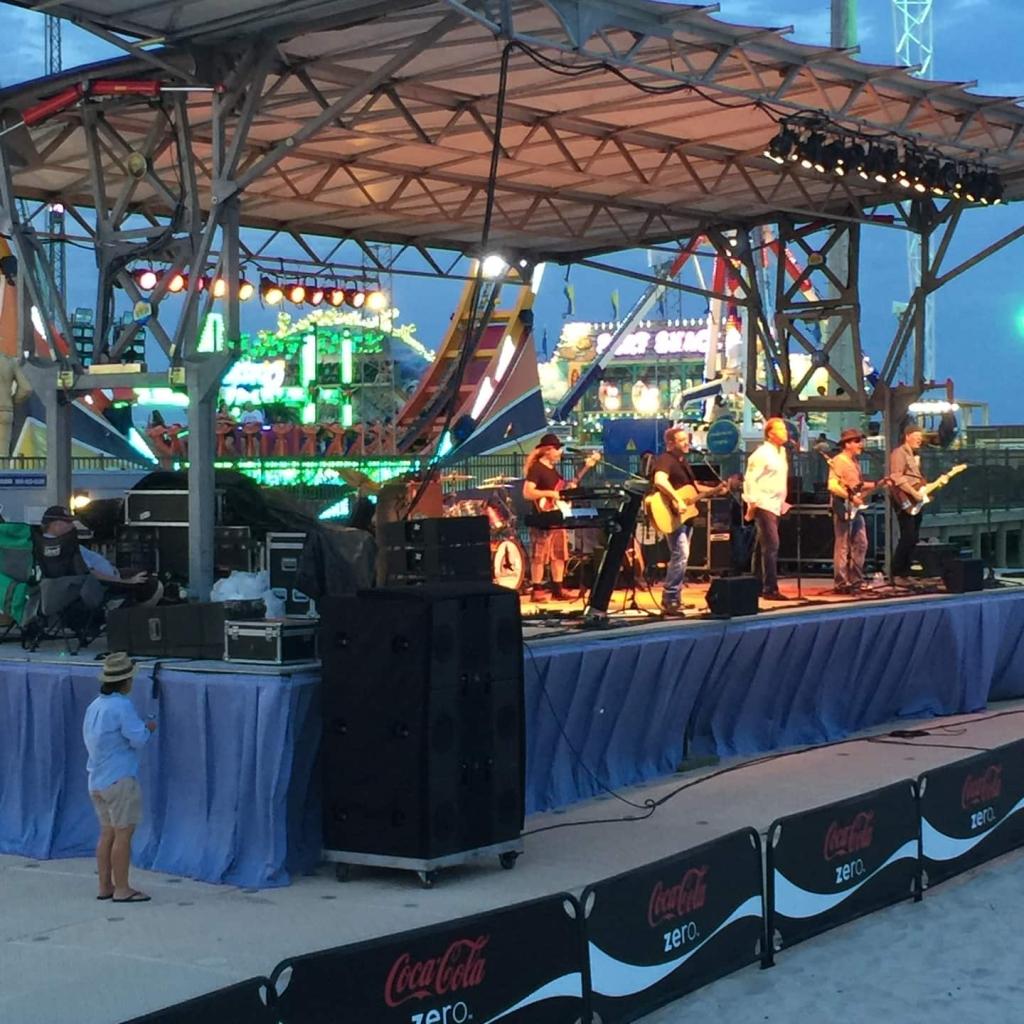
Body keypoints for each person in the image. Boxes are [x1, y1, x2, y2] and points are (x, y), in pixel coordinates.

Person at [82, 651, 156, 903]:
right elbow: (138, 739)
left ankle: (105, 885)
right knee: (123, 835)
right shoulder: (122, 706)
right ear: (126, 682)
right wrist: (148, 728)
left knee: (107, 833)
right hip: (120, 779)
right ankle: (122, 889)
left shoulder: (94, 706)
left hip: (96, 779)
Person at [34, 506, 162, 619]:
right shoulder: (66, 546)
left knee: (140, 574)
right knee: (150, 582)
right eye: (68, 522)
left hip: (87, 584)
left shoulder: (45, 545)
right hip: (103, 585)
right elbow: (90, 573)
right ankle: (128, 620)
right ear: (55, 525)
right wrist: (126, 581)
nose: (72, 526)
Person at [649, 426, 720, 614]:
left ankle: (676, 598)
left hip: (685, 517)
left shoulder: (683, 462)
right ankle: (670, 598)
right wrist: (677, 499)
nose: (687, 443)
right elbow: (659, 480)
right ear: (670, 443)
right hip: (671, 513)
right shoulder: (666, 460)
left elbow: (692, 489)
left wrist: (716, 490)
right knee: (680, 554)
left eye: (687, 439)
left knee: (681, 555)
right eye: (681, 440)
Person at [826, 427, 887, 593]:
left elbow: (857, 485)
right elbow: (832, 485)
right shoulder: (839, 461)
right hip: (842, 506)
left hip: (853, 507)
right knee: (843, 545)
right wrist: (851, 498)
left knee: (861, 543)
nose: (861, 444)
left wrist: (877, 484)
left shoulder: (854, 462)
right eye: (857, 441)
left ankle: (855, 580)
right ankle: (841, 583)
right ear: (847, 444)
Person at [522, 433, 575, 602]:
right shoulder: (537, 468)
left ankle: (558, 588)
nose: (560, 453)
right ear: (548, 450)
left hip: (556, 516)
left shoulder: (554, 471)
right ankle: (537, 589)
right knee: (539, 555)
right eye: (557, 449)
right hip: (542, 518)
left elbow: (559, 491)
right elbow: (528, 492)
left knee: (558, 554)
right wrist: (550, 493)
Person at [743, 417, 791, 599]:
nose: (785, 432)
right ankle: (770, 588)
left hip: (776, 503)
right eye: (781, 429)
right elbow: (750, 479)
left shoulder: (782, 452)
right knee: (771, 544)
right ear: (770, 433)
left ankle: (756, 585)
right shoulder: (761, 454)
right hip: (763, 503)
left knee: (762, 545)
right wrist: (753, 502)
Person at [889, 424, 928, 582]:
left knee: (914, 536)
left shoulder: (914, 455)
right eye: (916, 437)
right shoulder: (899, 453)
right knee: (908, 534)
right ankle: (897, 571)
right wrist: (913, 493)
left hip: (915, 499)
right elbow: (896, 477)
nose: (919, 440)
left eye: (920, 438)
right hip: (904, 498)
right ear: (907, 436)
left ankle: (905, 571)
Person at [0, 353, 32, 457]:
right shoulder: (9, 361)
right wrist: (13, 401)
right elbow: (26, 388)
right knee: (2, 454)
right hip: (5, 411)